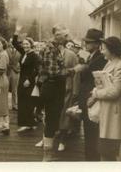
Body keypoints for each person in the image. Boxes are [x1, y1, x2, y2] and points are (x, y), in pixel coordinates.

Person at [89, 36, 121, 161]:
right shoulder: (110, 64)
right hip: (106, 113)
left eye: (103, 49)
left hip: (113, 115)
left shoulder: (120, 66)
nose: (102, 51)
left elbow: (115, 92)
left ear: (112, 50)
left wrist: (96, 93)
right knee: (104, 150)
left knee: (108, 152)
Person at [74, 28, 107, 161]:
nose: (86, 44)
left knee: (92, 135)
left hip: (92, 101)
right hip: (86, 100)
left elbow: (97, 83)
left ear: (97, 44)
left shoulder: (100, 59)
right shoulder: (92, 56)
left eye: (89, 42)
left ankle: (92, 161)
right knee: (89, 134)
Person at [35, 25, 68, 157]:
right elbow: (53, 72)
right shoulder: (50, 49)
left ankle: (48, 151)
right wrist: (73, 70)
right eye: (64, 35)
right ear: (56, 35)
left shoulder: (56, 48)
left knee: (53, 120)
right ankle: (47, 155)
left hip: (54, 86)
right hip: (52, 86)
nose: (66, 37)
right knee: (51, 120)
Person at [12, 26, 40, 132]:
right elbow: (14, 43)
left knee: (28, 101)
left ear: (31, 45)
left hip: (29, 81)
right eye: (24, 44)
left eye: (27, 44)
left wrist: (29, 79)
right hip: (22, 79)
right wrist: (16, 32)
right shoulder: (24, 53)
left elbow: (37, 69)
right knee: (22, 100)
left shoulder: (34, 56)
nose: (25, 46)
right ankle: (27, 123)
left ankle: (28, 123)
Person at [57, 37, 79, 152]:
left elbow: (76, 72)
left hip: (67, 87)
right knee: (54, 113)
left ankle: (62, 140)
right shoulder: (49, 53)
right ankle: (48, 137)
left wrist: (75, 91)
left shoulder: (71, 55)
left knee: (65, 115)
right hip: (54, 89)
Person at [6, 40, 21, 110]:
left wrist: (18, 67)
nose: (12, 44)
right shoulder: (6, 50)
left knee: (14, 89)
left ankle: (14, 105)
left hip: (15, 71)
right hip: (7, 71)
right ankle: (5, 104)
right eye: (10, 42)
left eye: (13, 42)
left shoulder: (20, 51)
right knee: (6, 88)